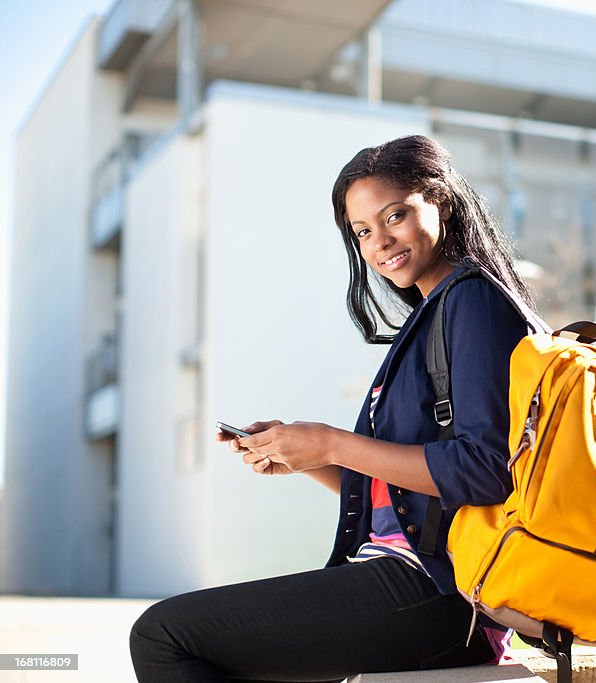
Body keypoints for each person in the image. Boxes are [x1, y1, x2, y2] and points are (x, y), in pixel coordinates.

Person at [129, 135, 534, 681]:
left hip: (439, 593)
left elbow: (485, 472)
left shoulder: (473, 302)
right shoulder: (435, 313)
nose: (379, 242)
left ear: (441, 200)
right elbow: (412, 494)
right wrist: (309, 459)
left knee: (164, 635)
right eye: (363, 231)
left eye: (395, 215)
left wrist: (332, 442)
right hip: (418, 586)